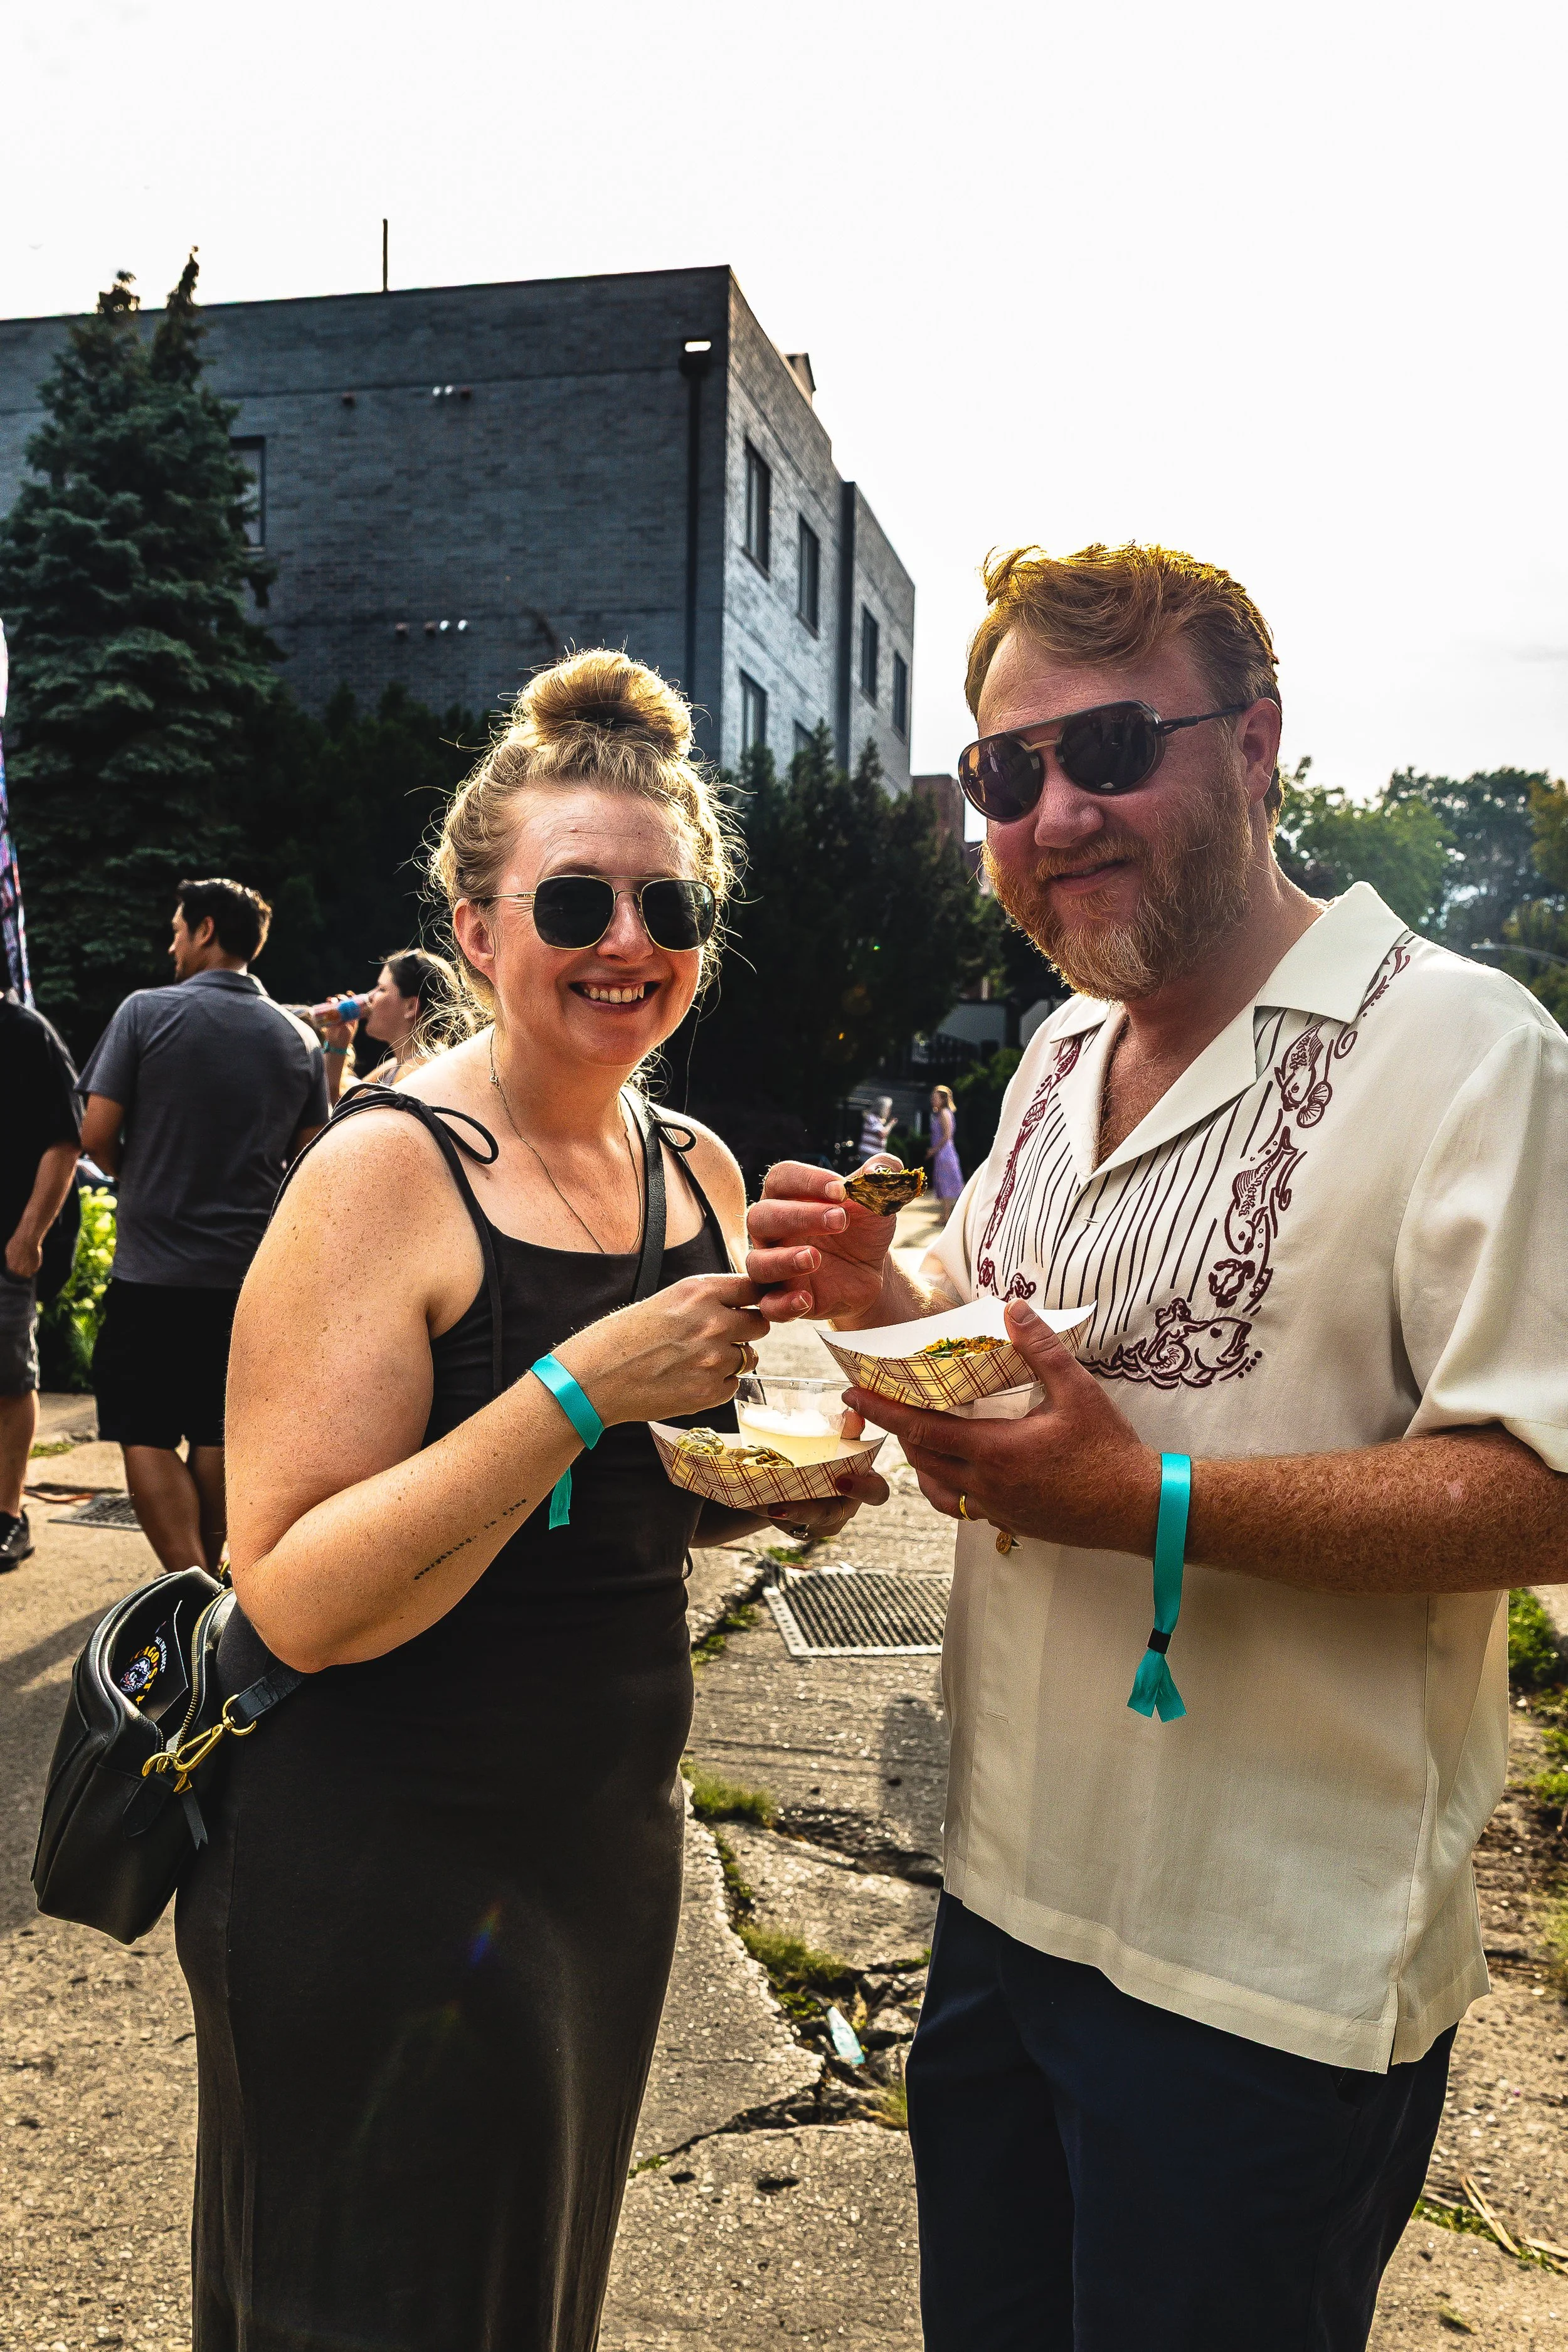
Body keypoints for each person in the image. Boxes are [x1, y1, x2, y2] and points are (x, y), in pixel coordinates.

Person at [745, 541, 1568, 2350]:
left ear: (1258, 741)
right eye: (1004, 773)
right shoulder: (1051, 1053)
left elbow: (1546, 1486)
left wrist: (1143, 1497)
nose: (1054, 811)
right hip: (999, 1900)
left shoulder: (1461, 1049)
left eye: (1109, 746)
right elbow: (997, 1316)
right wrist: (881, 1297)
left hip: (1264, 1967)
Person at [176, 650, 886, 2352]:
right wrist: (579, 1383)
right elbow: (286, 1594)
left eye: (669, 899)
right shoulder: (380, 1172)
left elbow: (630, 1504)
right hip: (374, 1854)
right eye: (574, 895)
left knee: (525, 2302)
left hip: (597, 1853)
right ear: (477, 926)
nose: (628, 937)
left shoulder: (693, 1169)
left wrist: (773, 1496)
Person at [77, 879, 329, 1575]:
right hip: (245, 1278)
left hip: (151, 1274)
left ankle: (183, 1589)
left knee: (144, 1431)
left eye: (178, 930)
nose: (172, 944)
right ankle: (211, 1590)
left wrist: (141, 1173)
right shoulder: (297, 1037)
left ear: (207, 929)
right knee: (218, 1431)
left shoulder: (144, 1013)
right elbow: (313, 1156)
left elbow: (95, 1134)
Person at [0, 993, 82, 1567]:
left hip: (5, 1247)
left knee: (8, 1380)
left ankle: (8, 1515)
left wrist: (29, 1237)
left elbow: (67, 1141)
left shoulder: (27, 1034)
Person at [318, 945, 464, 1104]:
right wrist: (338, 1047)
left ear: (411, 1007)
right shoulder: (399, 1064)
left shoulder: (417, 1072)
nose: (370, 997)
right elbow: (339, 1104)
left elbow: (338, 1113)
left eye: (381, 989)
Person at [925, 1082, 963, 1222]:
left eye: (935, 1097)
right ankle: (944, 1215)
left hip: (945, 1153)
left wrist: (933, 1150)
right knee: (942, 1183)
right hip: (942, 1153)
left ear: (943, 1099)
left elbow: (947, 1135)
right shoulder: (940, 1113)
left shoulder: (944, 1114)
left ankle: (946, 1216)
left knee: (947, 1184)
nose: (932, 1100)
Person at [858, 1093, 895, 1159]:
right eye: (888, 1109)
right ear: (882, 1108)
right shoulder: (872, 1118)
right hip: (869, 1154)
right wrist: (891, 1124)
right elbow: (882, 1134)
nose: (889, 1111)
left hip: (874, 1155)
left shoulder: (877, 1119)